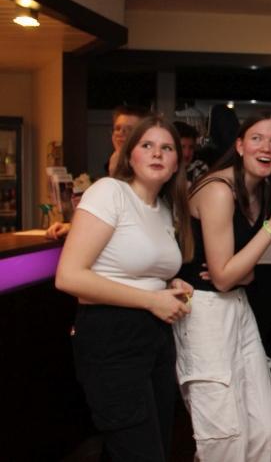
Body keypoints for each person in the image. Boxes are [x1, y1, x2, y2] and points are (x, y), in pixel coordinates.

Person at [55, 115, 194, 461]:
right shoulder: (109, 192)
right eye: (147, 145)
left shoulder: (164, 209)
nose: (157, 153)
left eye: (167, 148)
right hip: (112, 335)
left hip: (156, 337)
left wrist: (169, 284)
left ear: (177, 162)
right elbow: (69, 277)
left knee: (150, 445)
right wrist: (151, 299)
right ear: (130, 155)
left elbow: (133, 267)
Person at [173, 113, 271, 461]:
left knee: (263, 430)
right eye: (257, 138)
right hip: (205, 312)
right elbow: (225, 276)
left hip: (238, 304)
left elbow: (243, 272)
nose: (266, 147)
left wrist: (239, 271)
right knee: (223, 435)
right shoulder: (218, 189)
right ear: (240, 146)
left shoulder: (264, 191)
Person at [46, 105, 147, 239]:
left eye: (129, 129)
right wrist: (73, 226)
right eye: (117, 128)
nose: (121, 133)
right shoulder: (114, 162)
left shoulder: (145, 172)